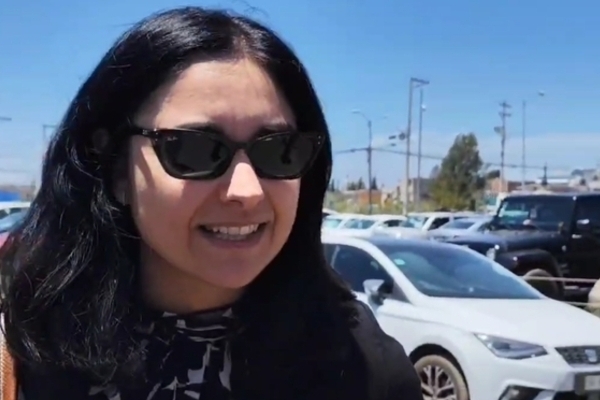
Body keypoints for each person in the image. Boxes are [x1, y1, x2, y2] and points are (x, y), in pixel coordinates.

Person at [0, 7, 422, 400]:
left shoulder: (364, 370)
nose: (247, 190)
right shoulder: (30, 351)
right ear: (115, 169)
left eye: (279, 151)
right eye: (195, 150)